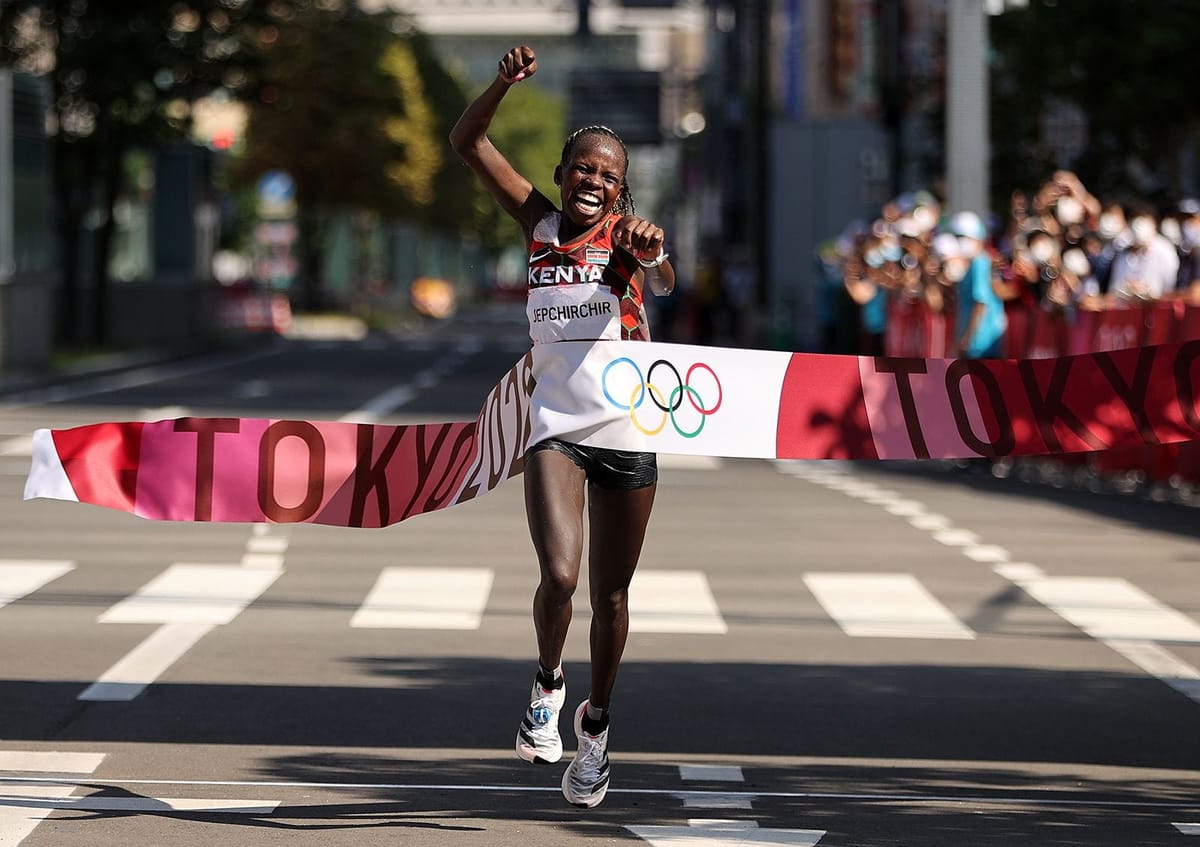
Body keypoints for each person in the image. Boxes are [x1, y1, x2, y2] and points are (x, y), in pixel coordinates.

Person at [450, 45, 676, 809]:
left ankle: (598, 731)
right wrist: (504, 83)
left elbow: (666, 273)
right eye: (583, 167)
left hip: (629, 433)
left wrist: (653, 254)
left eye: (609, 175)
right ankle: (546, 687)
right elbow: (467, 144)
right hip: (556, 429)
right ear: (560, 173)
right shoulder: (538, 223)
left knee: (612, 597)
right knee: (562, 575)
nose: (594, 180)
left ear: (621, 191)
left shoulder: (629, 241)